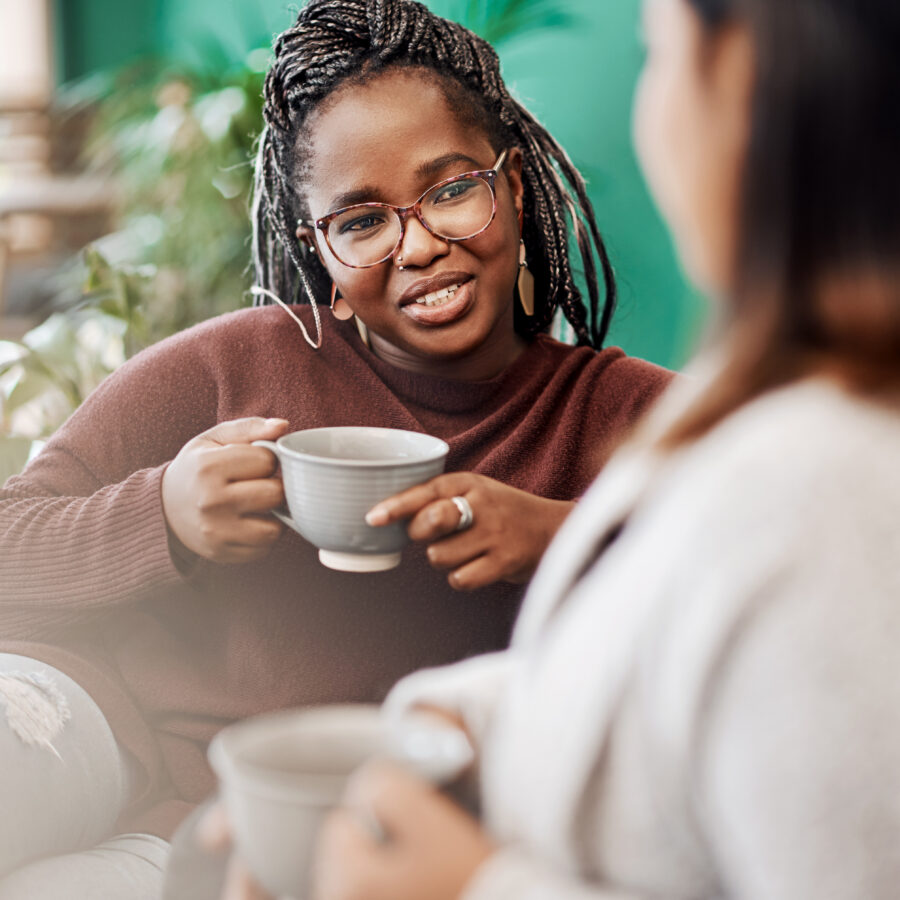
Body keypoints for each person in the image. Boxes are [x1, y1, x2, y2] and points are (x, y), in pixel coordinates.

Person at [0, 0, 671, 894]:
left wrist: (560, 536)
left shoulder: (629, 416)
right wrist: (160, 515)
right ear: (321, 257)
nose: (419, 244)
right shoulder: (230, 364)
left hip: (311, 840)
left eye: (451, 188)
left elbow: (785, 569)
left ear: (511, 187)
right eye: (361, 221)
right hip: (106, 729)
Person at [298, 0, 900, 898]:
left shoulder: (827, 492)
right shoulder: (782, 428)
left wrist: (474, 887)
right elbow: (681, 692)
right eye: (361, 220)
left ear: (739, 73)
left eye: (656, 51)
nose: (418, 244)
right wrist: (460, 723)